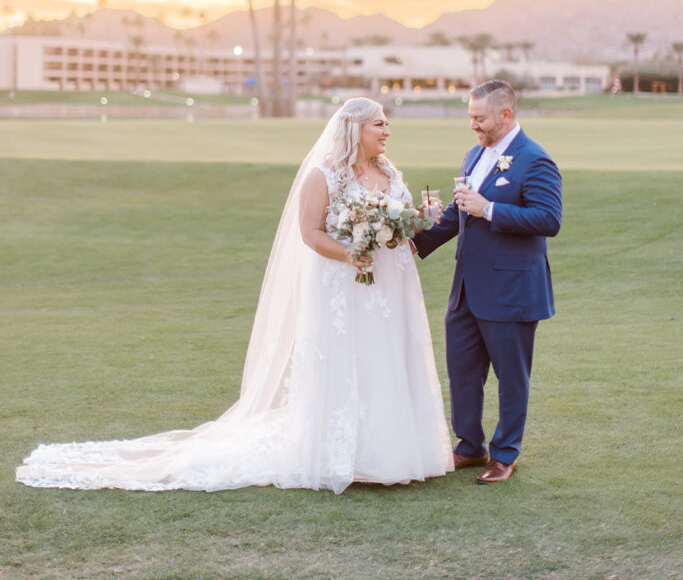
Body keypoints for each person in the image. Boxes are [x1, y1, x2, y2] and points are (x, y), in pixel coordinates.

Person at [16, 98, 453, 493]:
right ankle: (345, 454)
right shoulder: (323, 176)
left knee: (383, 358)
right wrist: (349, 255)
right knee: (346, 360)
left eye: (386, 124)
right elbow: (309, 233)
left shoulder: (390, 172)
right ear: (354, 129)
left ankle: (390, 449)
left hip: (389, 286)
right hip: (343, 285)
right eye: (379, 123)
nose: (387, 131)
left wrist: (415, 222)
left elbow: (400, 225)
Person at [413, 80, 562, 484]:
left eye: (479, 118)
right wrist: (409, 241)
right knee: (462, 370)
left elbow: (550, 220)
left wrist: (491, 209)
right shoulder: (474, 154)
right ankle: (469, 446)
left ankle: (505, 454)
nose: (473, 126)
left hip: (511, 290)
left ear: (506, 115)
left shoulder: (535, 160)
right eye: (470, 117)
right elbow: (459, 215)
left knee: (511, 377)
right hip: (465, 288)